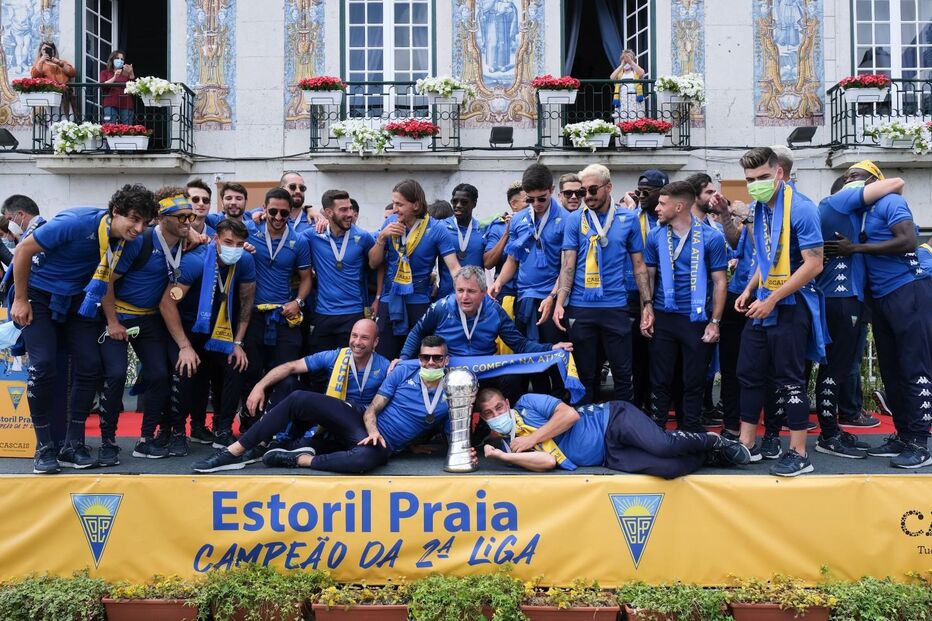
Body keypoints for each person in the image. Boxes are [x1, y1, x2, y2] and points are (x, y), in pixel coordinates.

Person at [11, 185, 157, 473]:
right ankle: (44, 447)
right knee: (43, 366)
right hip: (39, 295)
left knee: (90, 366)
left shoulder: (132, 243)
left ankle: (72, 445)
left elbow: (105, 281)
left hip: (81, 299)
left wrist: (113, 321)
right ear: (115, 212)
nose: (139, 228)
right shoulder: (77, 223)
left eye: (145, 222)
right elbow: (23, 250)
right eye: (134, 219)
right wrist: (19, 298)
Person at [196, 335, 457, 473]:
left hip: (380, 447)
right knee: (298, 397)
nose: (430, 364)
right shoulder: (403, 371)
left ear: (446, 360)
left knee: (364, 461)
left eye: (436, 359)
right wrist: (374, 431)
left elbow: (445, 428)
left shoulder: (455, 389)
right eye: (425, 358)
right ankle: (233, 452)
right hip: (361, 423)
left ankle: (300, 460)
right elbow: (372, 409)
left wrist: (424, 445)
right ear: (419, 358)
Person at [824, 161, 932, 469]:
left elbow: (908, 240)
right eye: (846, 177)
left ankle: (920, 443)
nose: (850, 180)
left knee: (915, 368)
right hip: (882, 300)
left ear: (875, 180)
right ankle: (902, 434)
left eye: (856, 176)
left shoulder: (890, 201)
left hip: (908, 290)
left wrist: (856, 249)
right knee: (892, 371)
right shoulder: (861, 213)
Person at [191, 319, 390, 472]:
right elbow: (291, 366)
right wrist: (259, 385)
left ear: (376, 342)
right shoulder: (336, 356)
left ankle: (233, 451)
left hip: (359, 424)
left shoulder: (386, 366)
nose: (357, 342)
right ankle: (263, 445)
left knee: (299, 398)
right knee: (290, 384)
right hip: (331, 423)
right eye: (354, 335)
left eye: (364, 337)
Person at [734, 147, 826, 477]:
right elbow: (767, 256)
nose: (755, 184)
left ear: (779, 174)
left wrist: (772, 299)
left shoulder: (801, 208)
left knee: (789, 379)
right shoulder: (761, 209)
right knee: (748, 372)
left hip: (791, 304)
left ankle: (800, 452)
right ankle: (747, 443)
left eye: (761, 178)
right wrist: (748, 289)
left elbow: (815, 264)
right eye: (749, 180)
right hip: (763, 302)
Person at [99, 190, 194, 462]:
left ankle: (146, 439)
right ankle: (107, 441)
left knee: (158, 374)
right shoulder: (140, 242)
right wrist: (113, 321)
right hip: (119, 315)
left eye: (191, 216)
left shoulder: (186, 241)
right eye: (181, 217)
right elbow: (106, 280)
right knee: (116, 375)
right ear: (162, 219)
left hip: (149, 317)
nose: (188, 221)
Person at [476, 387, 750, 477]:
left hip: (611, 419)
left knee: (663, 445)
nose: (496, 415)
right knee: (669, 470)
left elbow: (569, 414)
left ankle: (712, 441)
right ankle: (708, 457)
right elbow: (547, 462)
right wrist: (506, 457)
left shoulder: (527, 403)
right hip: (608, 456)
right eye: (489, 413)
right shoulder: (504, 444)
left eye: (499, 408)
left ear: (507, 403)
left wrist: (532, 438)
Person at [554, 164, 651, 404]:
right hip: (580, 306)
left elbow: (639, 266)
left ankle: (624, 428)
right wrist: (559, 302)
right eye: (583, 190)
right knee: (586, 375)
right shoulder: (575, 219)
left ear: (609, 187)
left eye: (593, 189)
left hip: (616, 306)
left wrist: (647, 304)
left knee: (622, 374)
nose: (587, 196)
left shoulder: (628, 219)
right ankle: (588, 430)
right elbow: (568, 265)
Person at [159, 218, 256, 448]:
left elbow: (246, 303)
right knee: (186, 367)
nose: (234, 248)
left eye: (240, 244)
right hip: (187, 327)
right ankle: (178, 431)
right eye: (228, 242)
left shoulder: (246, 261)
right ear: (216, 240)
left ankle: (223, 430)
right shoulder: (196, 261)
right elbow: (167, 303)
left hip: (220, 329)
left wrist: (238, 342)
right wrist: (184, 346)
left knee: (236, 364)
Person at [641, 181, 728, 433]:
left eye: (662, 203)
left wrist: (715, 322)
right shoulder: (655, 235)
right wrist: (647, 309)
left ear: (679, 207)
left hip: (696, 319)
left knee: (694, 381)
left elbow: (720, 281)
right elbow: (648, 276)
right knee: (660, 379)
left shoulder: (712, 237)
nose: (656, 208)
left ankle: (690, 431)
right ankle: (656, 431)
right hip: (664, 317)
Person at [241, 188, 312, 423]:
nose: (279, 218)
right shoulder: (249, 231)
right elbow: (221, 220)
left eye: (284, 213)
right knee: (251, 370)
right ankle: (250, 421)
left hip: (284, 317)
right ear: (264, 209)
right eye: (273, 212)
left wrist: (298, 302)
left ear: (291, 212)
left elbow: (306, 278)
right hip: (252, 316)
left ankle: (275, 424)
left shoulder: (298, 241)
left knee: (285, 374)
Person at [369, 179, 460, 358]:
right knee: (385, 356)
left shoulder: (436, 229)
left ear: (416, 205)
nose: (394, 209)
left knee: (417, 358)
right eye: (394, 203)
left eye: (399, 204)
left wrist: (468, 293)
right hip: (390, 300)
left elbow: (454, 268)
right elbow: (373, 263)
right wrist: (381, 238)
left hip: (418, 301)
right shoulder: (390, 223)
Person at [400, 265, 571, 359]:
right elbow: (417, 332)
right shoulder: (441, 307)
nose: (464, 297)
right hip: (449, 370)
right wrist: (403, 359)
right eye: (460, 290)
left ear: (483, 292)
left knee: (513, 380)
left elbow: (520, 345)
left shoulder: (495, 311)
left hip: (485, 371)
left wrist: (551, 347)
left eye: (471, 291)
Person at [305, 189, 375, 353]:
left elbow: (379, 265)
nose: (350, 213)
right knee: (320, 370)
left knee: (349, 367)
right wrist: (307, 208)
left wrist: (377, 297)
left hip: (353, 313)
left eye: (350, 208)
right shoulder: (313, 235)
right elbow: (287, 231)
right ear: (328, 212)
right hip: (323, 313)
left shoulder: (363, 237)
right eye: (343, 209)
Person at [624, 169, 667, 410]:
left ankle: (657, 407)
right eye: (639, 191)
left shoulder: (667, 221)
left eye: (647, 192)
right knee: (637, 358)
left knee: (658, 358)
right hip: (632, 295)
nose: (641, 196)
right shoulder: (631, 218)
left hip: (662, 295)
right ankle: (638, 406)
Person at [438, 184, 485, 298]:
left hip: (475, 298)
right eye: (455, 201)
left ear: (474, 204)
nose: (458, 205)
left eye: (464, 202)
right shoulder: (441, 227)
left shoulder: (483, 229)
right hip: (446, 297)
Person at [483, 181, 526, 305]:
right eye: (526, 201)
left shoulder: (536, 224)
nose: (532, 204)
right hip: (506, 291)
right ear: (514, 204)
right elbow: (488, 263)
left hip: (532, 289)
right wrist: (507, 233)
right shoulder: (498, 226)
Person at [30, 41, 76, 116]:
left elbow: (72, 73)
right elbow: (35, 76)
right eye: (44, 49)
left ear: (53, 51)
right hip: (51, 95)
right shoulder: (40, 64)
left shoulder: (60, 62)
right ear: (41, 51)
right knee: (53, 119)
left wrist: (59, 62)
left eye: (49, 49)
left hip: (65, 94)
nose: (47, 51)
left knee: (69, 117)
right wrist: (41, 60)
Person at [98, 50, 135, 124]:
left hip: (126, 104)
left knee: (127, 129)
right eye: (117, 58)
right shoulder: (105, 72)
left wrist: (131, 73)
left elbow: (134, 88)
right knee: (109, 127)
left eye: (122, 59)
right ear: (112, 60)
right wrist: (114, 77)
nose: (120, 61)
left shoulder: (126, 73)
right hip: (110, 103)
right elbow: (103, 85)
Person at [609, 48, 645, 121]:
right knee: (623, 119)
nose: (627, 62)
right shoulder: (619, 74)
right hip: (622, 99)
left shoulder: (636, 72)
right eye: (624, 59)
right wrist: (622, 65)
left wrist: (631, 62)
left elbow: (642, 72)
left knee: (635, 119)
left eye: (629, 59)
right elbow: (612, 77)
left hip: (635, 98)